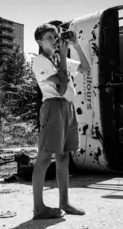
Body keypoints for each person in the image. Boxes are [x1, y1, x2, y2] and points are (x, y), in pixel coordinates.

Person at [31, 22, 90, 219]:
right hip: (53, 106)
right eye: (50, 37)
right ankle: (38, 207)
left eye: (56, 36)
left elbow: (86, 68)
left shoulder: (57, 57)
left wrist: (76, 45)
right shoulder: (40, 61)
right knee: (45, 157)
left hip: (67, 107)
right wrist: (64, 57)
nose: (55, 40)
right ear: (39, 41)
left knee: (64, 157)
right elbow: (63, 86)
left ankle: (64, 202)